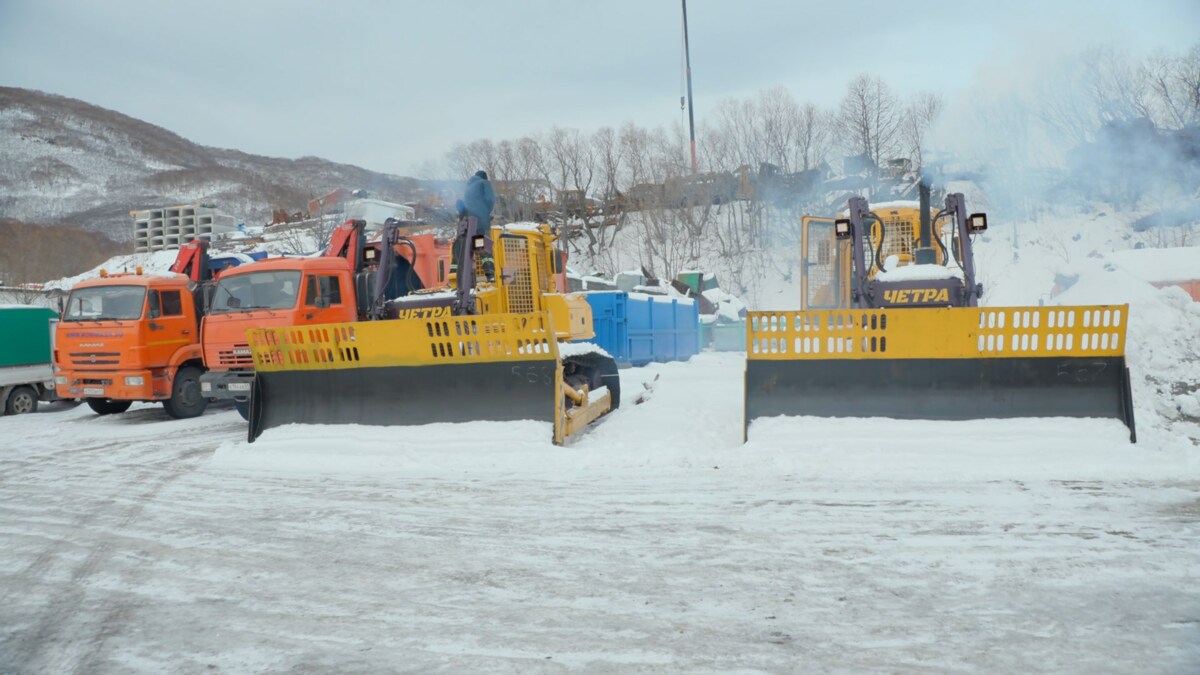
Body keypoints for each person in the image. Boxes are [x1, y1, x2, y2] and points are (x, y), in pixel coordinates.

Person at [452, 170, 496, 283]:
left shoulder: (468, 188)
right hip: (480, 223)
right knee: (483, 247)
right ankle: (490, 274)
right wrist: (486, 212)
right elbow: (490, 200)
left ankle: (454, 277)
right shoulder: (484, 183)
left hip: (467, 225)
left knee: (464, 250)